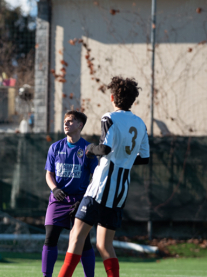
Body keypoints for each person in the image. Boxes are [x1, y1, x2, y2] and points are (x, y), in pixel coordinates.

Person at [58, 77, 150, 277]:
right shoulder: (140, 123)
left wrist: (90, 148)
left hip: (100, 188)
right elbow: (144, 158)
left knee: (76, 236)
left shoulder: (109, 118)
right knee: (104, 245)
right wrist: (123, 159)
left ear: (112, 97)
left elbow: (104, 148)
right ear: (133, 100)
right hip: (120, 192)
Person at [42, 110, 98, 277]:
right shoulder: (55, 147)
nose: (66, 123)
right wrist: (54, 188)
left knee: (84, 242)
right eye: (65, 120)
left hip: (80, 201)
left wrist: (84, 200)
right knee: (50, 238)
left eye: (71, 121)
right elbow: (49, 174)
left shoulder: (88, 150)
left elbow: (96, 178)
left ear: (80, 125)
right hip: (58, 199)